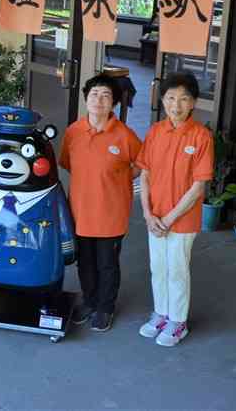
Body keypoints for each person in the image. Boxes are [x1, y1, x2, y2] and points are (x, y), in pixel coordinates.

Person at [60, 73, 142, 332]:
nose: (99, 99)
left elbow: (142, 163)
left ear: (114, 103)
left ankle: (105, 307)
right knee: (85, 261)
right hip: (81, 210)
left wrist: (120, 176)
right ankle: (89, 299)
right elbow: (67, 163)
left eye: (106, 95)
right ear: (86, 98)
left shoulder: (125, 135)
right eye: (94, 94)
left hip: (111, 212)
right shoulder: (74, 131)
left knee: (107, 263)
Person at [137, 72, 214, 347]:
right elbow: (144, 174)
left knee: (177, 269)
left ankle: (178, 321)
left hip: (181, 220)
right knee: (158, 267)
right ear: (163, 100)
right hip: (154, 217)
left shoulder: (201, 136)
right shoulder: (155, 131)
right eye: (171, 98)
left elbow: (198, 186)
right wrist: (148, 213)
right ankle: (161, 313)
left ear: (193, 103)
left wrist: (168, 218)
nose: (176, 105)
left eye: (183, 99)